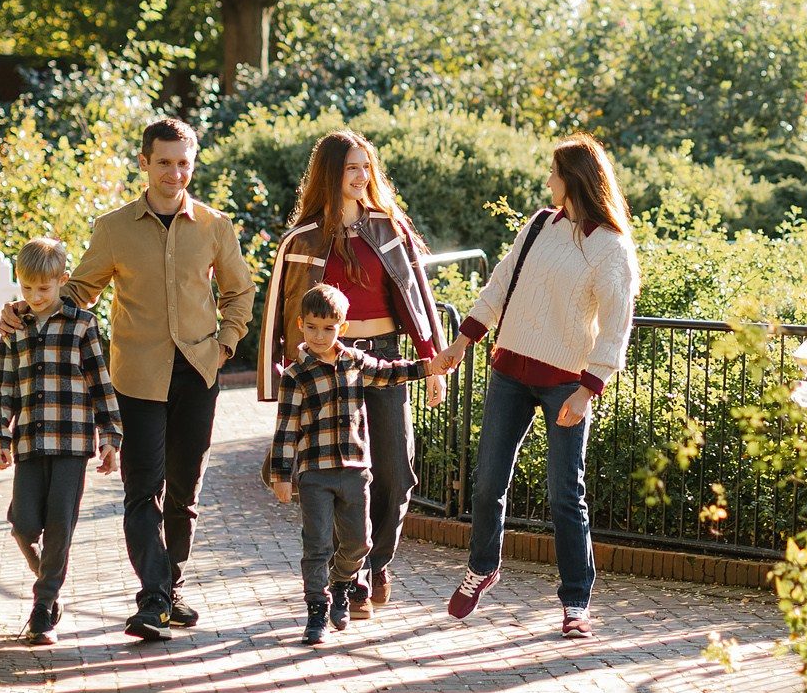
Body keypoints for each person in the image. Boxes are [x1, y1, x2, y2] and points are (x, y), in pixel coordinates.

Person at [4, 117, 254, 641]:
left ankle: (170, 585)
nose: (174, 172)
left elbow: (239, 294)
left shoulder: (214, 226)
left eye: (183, 162)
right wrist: (25, 309)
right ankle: (154, 598)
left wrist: (225, 344)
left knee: (185, 495)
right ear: (144, 163)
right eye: (164, 162)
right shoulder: (113, 229)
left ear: (193, 164)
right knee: (143, 492)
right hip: (136, 379)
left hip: (197, 374)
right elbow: (77, 291)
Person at [434, 135, 640, 639]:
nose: (547, 182)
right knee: (487, 482)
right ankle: (482, 567)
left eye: (553, 173)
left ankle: (576, 602)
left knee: (564, 492)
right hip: (510, 372)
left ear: (574, 180)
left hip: (565, 383)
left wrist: (588, 388)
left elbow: (617, 325)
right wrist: (462, 342)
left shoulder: (611, 248)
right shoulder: (538, 226)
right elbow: (500, 285)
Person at [256, 129, 447, 619]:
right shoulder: (302, 239)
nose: (362, 177)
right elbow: (280, 308)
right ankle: (353, 578)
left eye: (367, 167)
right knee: (339, 473)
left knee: (396, 473)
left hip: (381, 360)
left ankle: (375, 561)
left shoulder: (390, 228)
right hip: (326, 369)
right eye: (351, 168)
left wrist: (432, 364)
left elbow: (417, 295)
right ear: (330, 174)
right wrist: (275, 376)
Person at [266, 283, 454, 645]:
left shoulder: (354, 363)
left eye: (328, 328)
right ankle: (317, 610)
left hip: (354, 470)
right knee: (317, 543)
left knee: (359, 542)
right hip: (315, 475)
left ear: (343, 328)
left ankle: (341, 584)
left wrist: (428, 366)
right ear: (301, 325)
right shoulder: (295, 376)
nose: (319, 336)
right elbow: (286, 428)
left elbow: (389, 372)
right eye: (311, 327)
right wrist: (281, 475)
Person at [0, 237, 121, 646]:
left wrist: (111, 437)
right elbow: (1, 386)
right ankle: (50, 578)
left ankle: (44, 605)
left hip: (72, 443)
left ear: (62, 281)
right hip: (28, 441)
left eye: (43, 289)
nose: (34, 296)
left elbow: (102, 384)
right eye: (26, 288)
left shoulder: (83, 325)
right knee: (22, 525)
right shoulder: (15, 329)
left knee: (60, 526)